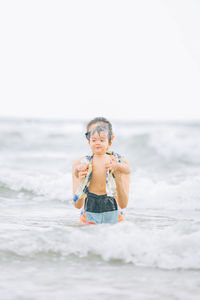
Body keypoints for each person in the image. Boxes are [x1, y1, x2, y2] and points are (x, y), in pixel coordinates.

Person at [72, 117, 130, 224]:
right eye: (92, 136)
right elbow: (77, 205)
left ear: (110, 139)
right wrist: (81, 180)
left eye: (101, 137)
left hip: (114, 217)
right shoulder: (81, 164)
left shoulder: (119, 162)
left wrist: (118, 175)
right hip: (89, 216)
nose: (97, 141)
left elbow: (123, 204)